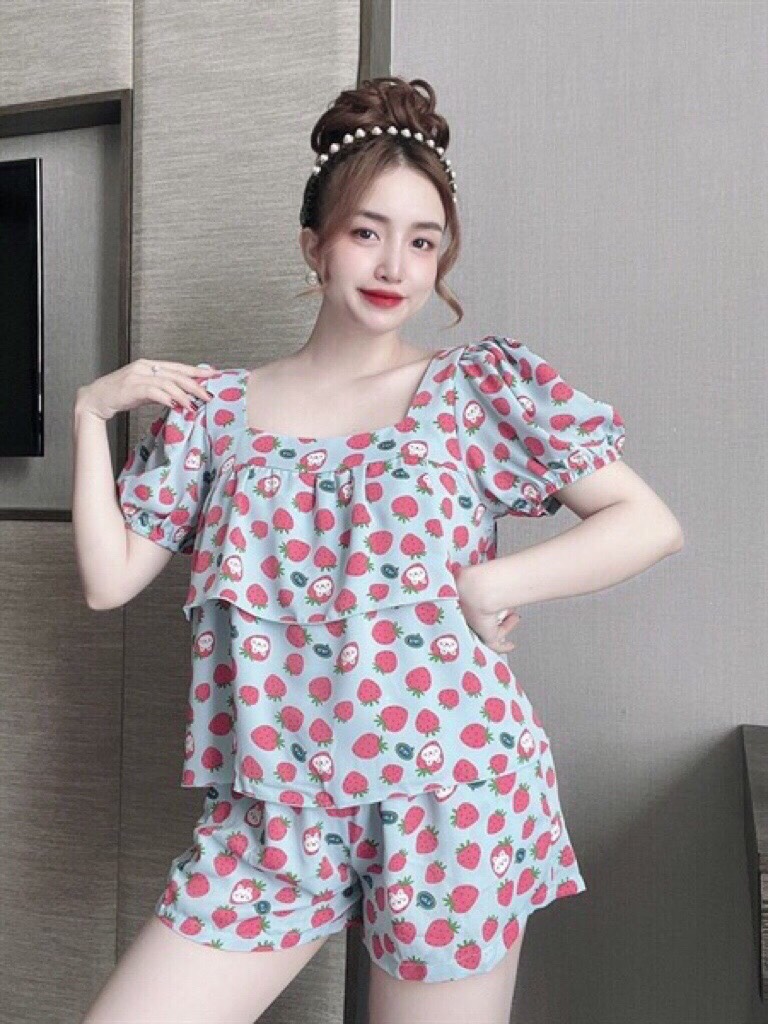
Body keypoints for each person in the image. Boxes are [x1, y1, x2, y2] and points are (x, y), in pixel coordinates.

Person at [73, 76, 683, 1024]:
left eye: (423, 241)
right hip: (273, 813)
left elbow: (646, 521)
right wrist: (87, 414)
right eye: (367, 232)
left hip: (453, 796)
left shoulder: (474, 390)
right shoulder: (214, 414)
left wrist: (491, 580)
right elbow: (110, 581)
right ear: (313, 242)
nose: (396, 263)